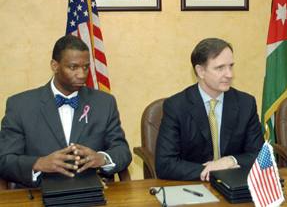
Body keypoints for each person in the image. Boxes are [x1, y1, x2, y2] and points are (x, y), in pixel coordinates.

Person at [0, 35, 132, 187]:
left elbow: (122, 151)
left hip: (91, 191)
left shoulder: (104, 103)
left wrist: (102, 158)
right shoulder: (21, 105)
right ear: (55, 66)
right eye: (73, 67)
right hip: (38, 192)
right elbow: (5, 160)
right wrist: (39, 163)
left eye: (86, 67)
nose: (82, 74)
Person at [155, 38, 264, 181]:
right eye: (220, 68)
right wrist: (210, 170)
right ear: (200, 71)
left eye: (231, 66)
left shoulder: (246, 103)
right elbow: (165, 164)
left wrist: (231, 161)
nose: (229, 74)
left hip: (236, 184)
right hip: (193, 187)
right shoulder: (176, 106)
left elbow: (260, 155)